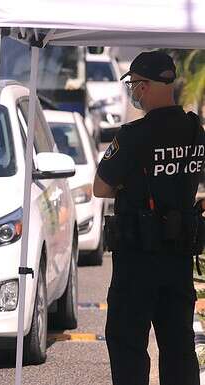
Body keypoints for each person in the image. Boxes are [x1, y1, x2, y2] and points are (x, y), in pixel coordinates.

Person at [93, 51, 204, 385]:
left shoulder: (133, 135)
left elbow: (101, 187)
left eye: (135, 85)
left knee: (127, 342)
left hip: (137, 259)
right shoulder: (194, 131)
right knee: (179, 343)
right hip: (179, 255)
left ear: (145, 86)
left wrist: (134, 184)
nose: (134, 92)